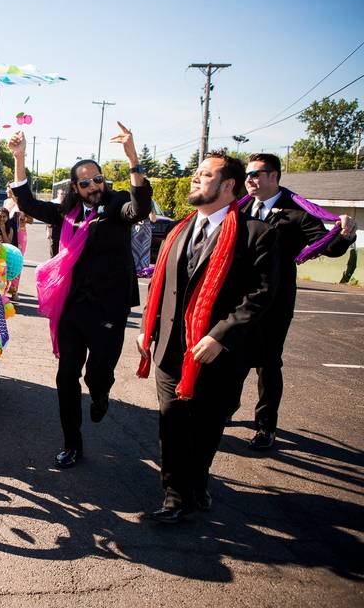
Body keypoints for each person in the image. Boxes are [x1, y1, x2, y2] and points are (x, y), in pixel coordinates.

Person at [137, 151, 278, 522]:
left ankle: (197, 480)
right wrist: (145, 329)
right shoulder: (178, 230)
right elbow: (159, 284)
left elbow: (261, 295)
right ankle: (174, 495)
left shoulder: (256, 234)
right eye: (196, 173)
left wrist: (220, 336)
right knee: (171, 421)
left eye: (205, 174)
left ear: (228, 185)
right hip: (170, 349)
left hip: (220, 354)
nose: (196, 179)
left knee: (207, 425)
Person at [6, 125, 151, 468]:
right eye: (85, 183)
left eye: (97, 180)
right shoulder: (64, 212)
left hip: (108, 309)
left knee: (97, 374)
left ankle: (101, 391)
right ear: (75, 187)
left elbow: (140, 208)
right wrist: (20, 157)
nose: (93, 187)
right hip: (71, 307)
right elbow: (26, 201)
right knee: (66, 375)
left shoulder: (117, 206)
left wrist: (132, 158)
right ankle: (72, 443)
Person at [235, 153, 357, 450]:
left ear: (274, 176)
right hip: (239, 298)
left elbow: (328, 247)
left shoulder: (297, 212)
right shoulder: (241, 208)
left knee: (267, 364)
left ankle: (265, 427)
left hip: (275, 301)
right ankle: (227, 408)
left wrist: (344, 235)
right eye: (247, 174)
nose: (249, 179)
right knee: (234, 356)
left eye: (256, 174)